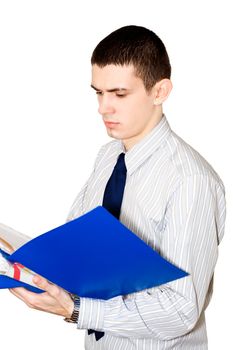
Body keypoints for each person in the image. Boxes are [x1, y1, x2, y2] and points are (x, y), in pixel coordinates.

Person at [10, 25, 226, 350]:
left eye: (119, 94)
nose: (102, 108)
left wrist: (77, 310)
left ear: (160, 91)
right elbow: (76, 240)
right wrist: (27, 261)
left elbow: (181, 311)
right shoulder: (109, 156)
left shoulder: (190, 182)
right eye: (98, 92)